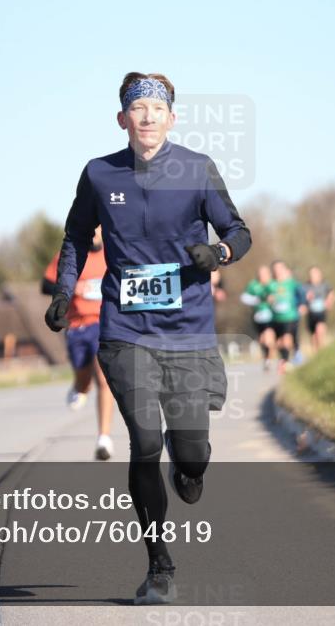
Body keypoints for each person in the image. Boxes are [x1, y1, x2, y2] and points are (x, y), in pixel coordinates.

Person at [44, 72, 251, 605]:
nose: (148, 116)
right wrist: (66, 292)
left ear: (172, 118)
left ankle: (190, 469)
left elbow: (238, 231)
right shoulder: (98, 174)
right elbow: (73, 237)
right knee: (146, 442)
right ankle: (159, 565)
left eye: (158, 108)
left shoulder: (196, 169)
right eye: (138, 109)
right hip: (125, 330)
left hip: (187, 333)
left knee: (192, 453)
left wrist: (219, 253)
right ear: (123, 119)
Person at [42, 225, 114, 460]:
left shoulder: (113, 252)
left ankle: (103, 438)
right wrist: (73, 287)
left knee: (104, 379)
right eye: (89, 227)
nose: (93, 232)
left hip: (103, 323)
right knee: (84, 382)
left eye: (97, 228)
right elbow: (45, 284)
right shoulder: (71, 253)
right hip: (77, 327)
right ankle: (79, 387)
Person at [267, 260, 300, 374]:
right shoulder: (270, 284)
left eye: (280, 268)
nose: (278, 271)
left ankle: (285, 362)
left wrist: (303, 304)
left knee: (286, 339)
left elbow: (301, 294)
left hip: (290, 317)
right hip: (275, 318)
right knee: (278, 342)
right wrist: (268, 299)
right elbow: (263, 297)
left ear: (285, 270)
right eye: (275, 269)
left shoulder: (291, 283)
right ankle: (285, 359)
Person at [240, 265, 275, 370]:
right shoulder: (253, 285)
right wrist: (257, 300)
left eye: (264, 274)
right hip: (258, 316)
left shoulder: (273, 284)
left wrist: (273, 299)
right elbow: (244, 298)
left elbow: (281, 296)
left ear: (269, 274)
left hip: (272, 315)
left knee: (269, 337)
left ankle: (269, 360)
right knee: (262, 339)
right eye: (260, 274)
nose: (262, 276)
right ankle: (266, 358)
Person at [304, 266, 335, 351]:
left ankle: (322, 351)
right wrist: (306, 300)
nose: (313, 276)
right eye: (311, 274)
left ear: (319, 274)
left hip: (321, 313)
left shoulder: (325, 284)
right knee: (314, 337)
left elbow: (332, 294)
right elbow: (302, 299)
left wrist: (329, 302)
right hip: (311, 314)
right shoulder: (306, 286)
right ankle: (316, 353)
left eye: (315, 273)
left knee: (320, 331)